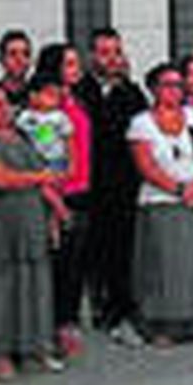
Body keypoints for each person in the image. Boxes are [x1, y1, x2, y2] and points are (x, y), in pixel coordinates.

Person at [0, 82, 61, 382]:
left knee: (32, 283)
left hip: (30, 222)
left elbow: (50, 170)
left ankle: (32, 346)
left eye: (7, 103)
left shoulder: (22, 137)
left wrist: (56, 211)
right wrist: (38, 176)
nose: (5, 109)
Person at [128, 63, 193, 346]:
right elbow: (146, 166)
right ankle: (161, 325)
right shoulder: (141, 123)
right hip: (161, 202)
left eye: (178, 85)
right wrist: (180, 189)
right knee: (164, 264)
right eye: (167, 85)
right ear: (154, 89)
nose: (174, 91)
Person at [75, 28, 148, 344]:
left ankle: (121, 312)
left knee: (121, 251)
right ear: (92, 55)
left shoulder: (132, 93)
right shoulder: (78, 91)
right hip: (85, 185)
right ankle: (89, 308)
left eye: (116, 52)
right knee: (86, 250)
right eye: (105, 52)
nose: (112, 58)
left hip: (122, 185)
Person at [34, 44, 93, 359]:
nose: (77, 67)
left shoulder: (76, 100)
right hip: (59, 195)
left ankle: (68, 322)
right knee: (58, 266)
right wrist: (54, 203)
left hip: (82, 190)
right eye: (70, 63)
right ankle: (54, 327)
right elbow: (44, 158)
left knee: (75, 264)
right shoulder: (47, 110)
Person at [14, 74, 76, 245]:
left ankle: (55, 230)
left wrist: (72, 163)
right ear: (33, 96)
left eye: (57, 96)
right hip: (35, 162)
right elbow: (18, 137)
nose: (54, 100)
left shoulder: (59, 117)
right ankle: (64, 213)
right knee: (42, 189)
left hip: (56, 160)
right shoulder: (25, 117)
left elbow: (69, 140)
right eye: (49, 95)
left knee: (53, 192)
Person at [0, 29, 33, 108]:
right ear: (1, 58)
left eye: (25, 54)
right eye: (13, 54)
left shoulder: (36, 94)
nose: (20, 60)